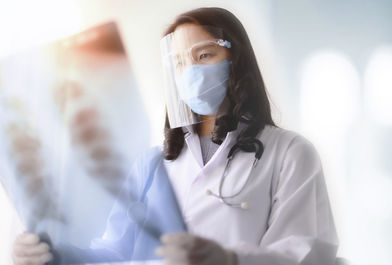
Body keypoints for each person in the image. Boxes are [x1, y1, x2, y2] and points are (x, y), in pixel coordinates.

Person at [11, 7, 338, 265]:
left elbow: (307, 253)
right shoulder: (152, 164)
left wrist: (230, 260)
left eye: (204, 55)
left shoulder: (290, 153)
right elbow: (113, 251)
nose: (191, 71)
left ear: (236, 60)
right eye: (179, 62)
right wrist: (55, 255)